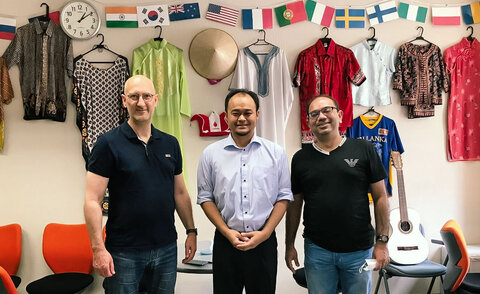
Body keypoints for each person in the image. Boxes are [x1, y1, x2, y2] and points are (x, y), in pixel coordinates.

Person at [84, 75, 197, 294]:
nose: (141, 102)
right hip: (123, 251)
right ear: (124, 101)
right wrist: (98, 249)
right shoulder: (108, 143)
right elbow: (92, 200)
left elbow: (181, 193)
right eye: (134, 97)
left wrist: (191, 231)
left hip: (166, 248)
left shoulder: (170, 143)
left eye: (146, 96)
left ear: (156, 100)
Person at [285, 95, 390, 294]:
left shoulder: (364, 149)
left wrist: (382, 242)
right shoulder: (300, 158)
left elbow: (380, 197)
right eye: (314, 114)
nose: (321, 117)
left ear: (340, 115)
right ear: (308, 122)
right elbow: (295, 204)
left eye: (327, 110)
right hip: (317, 251)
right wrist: (289, 245)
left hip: (359, 251)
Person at [197, 89, 293, 294]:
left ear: (257, 114)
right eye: (235, 113)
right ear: (226, 116)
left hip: (264, 244)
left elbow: (284, 197)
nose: (241, 118)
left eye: (247, 113)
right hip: (225, 243)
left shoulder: (276, 153)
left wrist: (265, 234)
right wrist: (226, 232)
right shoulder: (210, 155)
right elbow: (206, 198)